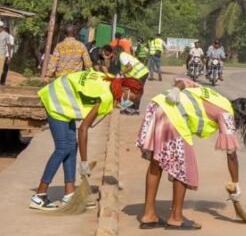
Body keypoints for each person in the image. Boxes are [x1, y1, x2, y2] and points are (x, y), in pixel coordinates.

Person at [136, 77, 246, 230]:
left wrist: (176, 90)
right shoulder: (227, 114)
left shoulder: (215, 96)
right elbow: (231, 154)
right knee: (184, 168)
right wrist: (235, 184)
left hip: (158, 105)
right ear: (242, 117)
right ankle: (176, 218)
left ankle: (149, 215)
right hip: (174, 118)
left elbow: (184, 81)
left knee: (156, 161)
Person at [31, 70, 114, 210]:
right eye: (133, 98)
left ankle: (69, 194)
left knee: (72, 146)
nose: (130, 103)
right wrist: (84, 163)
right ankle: (39, 195)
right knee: (63, 148)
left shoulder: (111, 80)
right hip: (56, 99)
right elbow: (83, 129)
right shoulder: (105, 96)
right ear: (125, 90)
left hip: (64, 100)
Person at [100, 45, 149, 115]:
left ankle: (134, 109)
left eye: (114, 54)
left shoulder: (122, 56)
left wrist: (120, 73)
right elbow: (126, 69)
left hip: (140, 73)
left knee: (136, 91)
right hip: (141, 73)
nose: (114, 56)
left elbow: (130, 67)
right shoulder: (123, 56)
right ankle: (131, 108)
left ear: (116, 53)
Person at [0, 21, 15, 85]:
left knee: (1, 68)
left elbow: (9, 45)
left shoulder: (6, 35)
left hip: (2, 53)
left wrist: (9, 55)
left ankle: (1, 81)